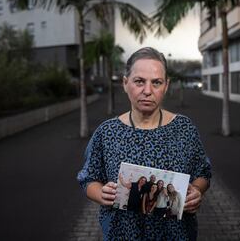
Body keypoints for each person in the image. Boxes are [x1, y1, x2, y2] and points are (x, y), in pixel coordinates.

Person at [77, 47, 211, 240]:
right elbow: (89, 178)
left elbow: (203, 173)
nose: (147, 91)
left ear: (166, 85)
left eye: (156, 82)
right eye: (139, 81)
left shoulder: (184, 128)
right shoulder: (107, 132)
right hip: (123, 234)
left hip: (175, 234)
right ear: (125, 83)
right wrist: (101, 194)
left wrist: (197, 191)